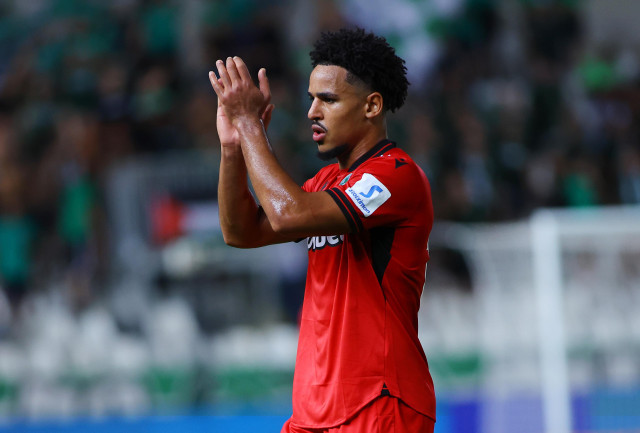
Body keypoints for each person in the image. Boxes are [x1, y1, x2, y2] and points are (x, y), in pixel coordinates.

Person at [209, 28, 435, 433]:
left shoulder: (397, 176)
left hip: (379, 403)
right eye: (311, 98)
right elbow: (241, 233)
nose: (312, 111)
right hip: (313, 411)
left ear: (371, 105)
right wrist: (233, 148)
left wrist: (249, 124)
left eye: (328, 99)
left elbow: (288, 215)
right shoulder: (324, 183)